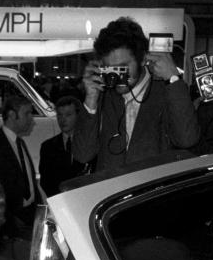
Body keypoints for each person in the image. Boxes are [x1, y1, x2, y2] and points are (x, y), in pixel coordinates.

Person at [73, 17, 199, 173]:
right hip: (111, 192)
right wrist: (90, 100)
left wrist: (173, 79)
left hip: (151, 193)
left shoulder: (167, 91)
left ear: (142, 59)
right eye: (109, 68)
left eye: (122, 67)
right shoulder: (102, 93)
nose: (117, 75)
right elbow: (82, 155)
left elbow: (187, 139)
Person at [0, 96, 38, 240]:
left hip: (28, 216)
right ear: (12, 115)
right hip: (9, 224)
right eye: (27, 113)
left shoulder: (19, 143)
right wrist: (8, 220)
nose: (32, 119)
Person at [39, 95, 93, 195]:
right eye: (59, 115)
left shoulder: (90, 144)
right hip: (59, 201)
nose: (63, 120)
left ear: (78, 115)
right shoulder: (47, 147)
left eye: (68, 115)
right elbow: (45, 182)